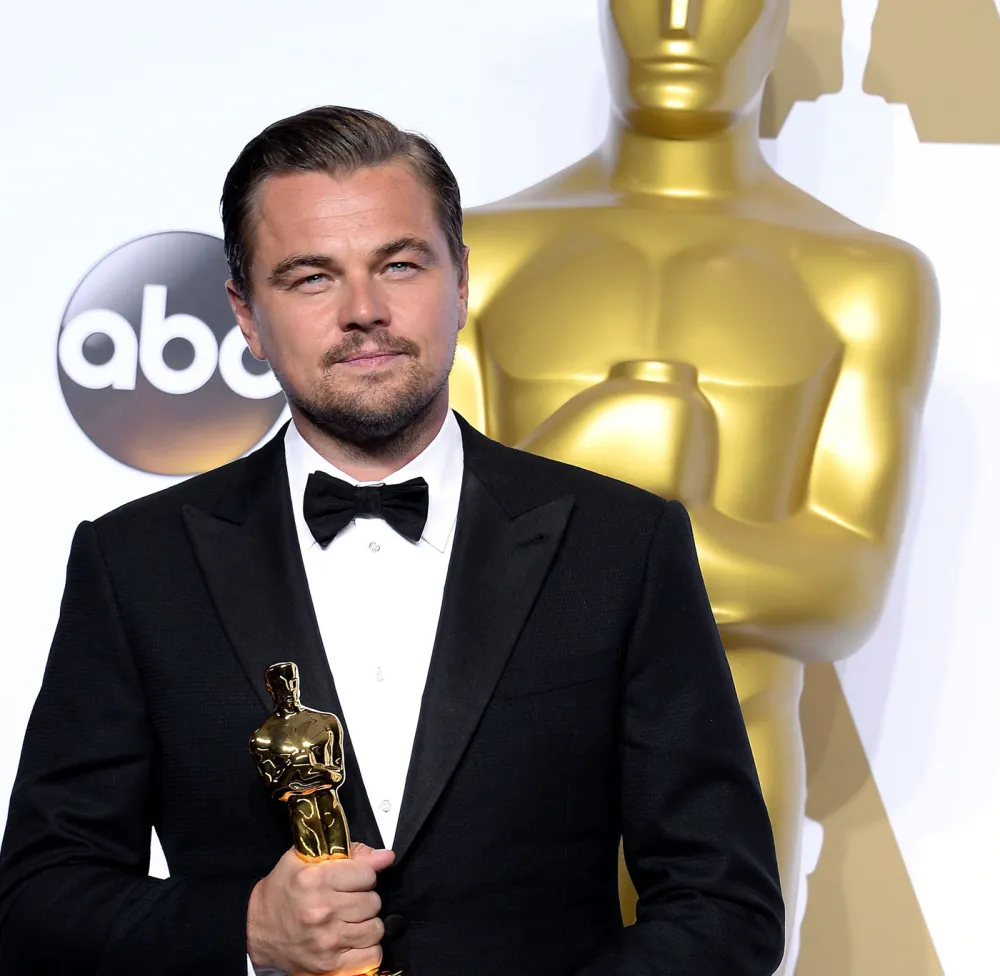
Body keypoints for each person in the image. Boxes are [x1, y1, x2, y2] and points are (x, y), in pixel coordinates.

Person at [0, 105, 783, 976]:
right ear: (246, 316)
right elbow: (39, 899)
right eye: (311, 278)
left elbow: (725, 903)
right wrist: (245, 929)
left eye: (400, 265)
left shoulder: (622, 547)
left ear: (461, 283)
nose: (364, 311)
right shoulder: (137, 566)